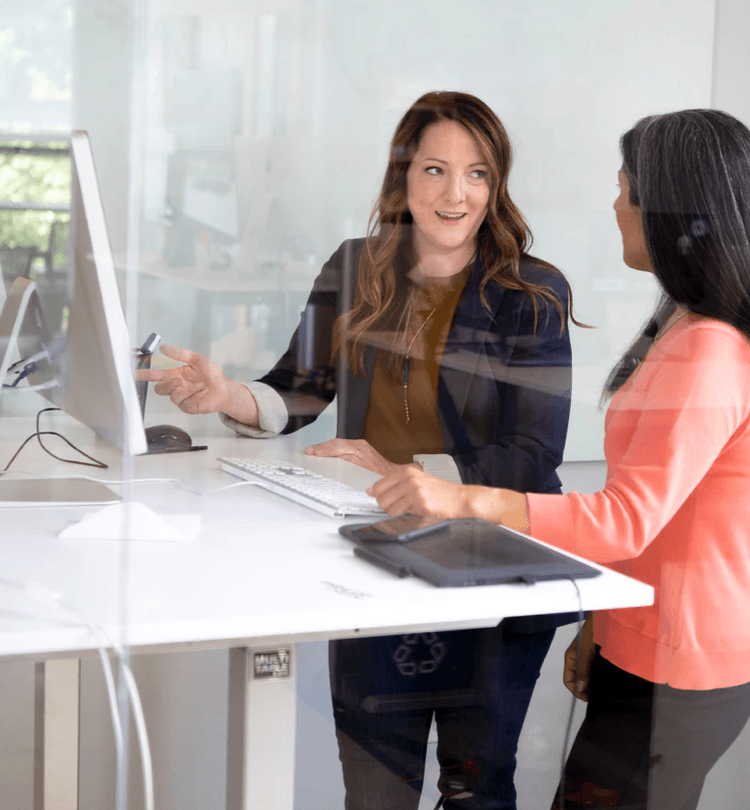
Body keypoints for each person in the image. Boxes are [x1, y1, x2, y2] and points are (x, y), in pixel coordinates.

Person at [140, 90, 581, 809]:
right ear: (403, 177)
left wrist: (405, 473)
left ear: (496, 184)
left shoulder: (531, 292)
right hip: (381, 561)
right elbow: (299, 390)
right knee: (375, 788)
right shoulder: (356, 266)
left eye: (477, 173)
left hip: (493, 566)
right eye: (435, 170)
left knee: (477, 791)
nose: (455, 193)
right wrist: (229, 396)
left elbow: (530, 454)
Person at [369, 108, 750, 810]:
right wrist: (600, 626)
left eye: (627, 190)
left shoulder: (709, 349)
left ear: (673, 209)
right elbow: (657, 505)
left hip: (683, 660)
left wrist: (458, 496)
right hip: (639, 638)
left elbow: (626, 518)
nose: (615, 206)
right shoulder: (681, 324)